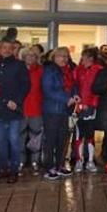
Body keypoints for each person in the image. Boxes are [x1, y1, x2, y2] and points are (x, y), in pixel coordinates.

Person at [0, 39, 30, 183]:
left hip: (13, 109)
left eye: (9, 48)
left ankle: (13, 170)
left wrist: (17, 101)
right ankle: (2, 168)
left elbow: (26, 86)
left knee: (13, 140)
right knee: (1, 141)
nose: (6, 50)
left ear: (13, 49)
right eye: (4, 47)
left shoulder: (19, 65)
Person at [41, 47, 77, 180]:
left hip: (65, 110)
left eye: (66, 56)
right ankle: (49, 167)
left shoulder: (68, 71)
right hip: (52, 110)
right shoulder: (49, 70)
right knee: (50, 140)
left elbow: (73, 86)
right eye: (60, 56)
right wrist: (66, 99)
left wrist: (75, 95)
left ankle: (60, 165)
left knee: (62, 139)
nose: (63, 59)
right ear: (54, 57)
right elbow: (48, 90)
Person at [73, 48, 103, 173]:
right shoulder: (78, 70)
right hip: (79, 107)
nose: (83, 59)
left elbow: (99, 90)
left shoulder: (99, 70)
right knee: (79, 135)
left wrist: (92, 105)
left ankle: (90, 161)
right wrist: (78, 101)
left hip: (92, 107)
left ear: (91, 58)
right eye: (83, 56)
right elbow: (74, 86)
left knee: (90, 135)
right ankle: (79, 161)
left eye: (86, 56)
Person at [20, 48, 44, 173]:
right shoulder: (19, 70)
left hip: (36, 108)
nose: (30, 58)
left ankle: (35, 161)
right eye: (28, 55)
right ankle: (21, 161)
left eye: (33, 55)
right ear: (23, 57)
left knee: (35, 137)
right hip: (21, 109)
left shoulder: (41, 70)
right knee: (21, 137)